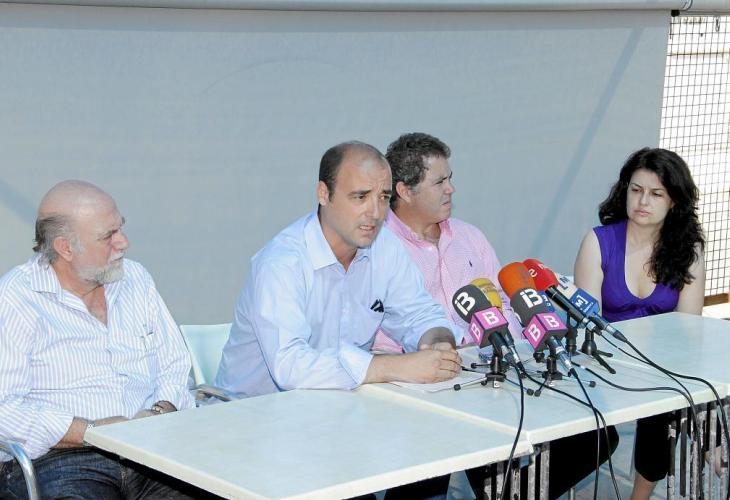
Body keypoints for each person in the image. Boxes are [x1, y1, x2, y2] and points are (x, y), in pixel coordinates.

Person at [380, 132, 618, 500]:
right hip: (417, 391)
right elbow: (380, 329)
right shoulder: (378, 248)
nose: (451, 189)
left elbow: (505, 303)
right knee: (426, 482)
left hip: (488, 378)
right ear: (405, 191)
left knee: (597, 434)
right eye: (440, 182)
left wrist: (515, 346)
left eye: (450, 178)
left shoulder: (469, 237)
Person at [215, 141, 462, 399]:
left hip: (341, 405)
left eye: (383, 197)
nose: (375, 213)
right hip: (253, 412)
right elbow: (290, 366)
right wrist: (392, 367)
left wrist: (437, 343)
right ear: (324, 194)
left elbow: (420, 314)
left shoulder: (385, 247)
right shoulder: (282, 263)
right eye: (360, 197)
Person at [0, 180, 200, 499]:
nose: (124, 243)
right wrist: (92, 432)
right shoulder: (17, 297)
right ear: (66, 248)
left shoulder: (135, 279)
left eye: (121, 228)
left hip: (150, 453)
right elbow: (5, 410)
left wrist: (160, 411)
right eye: (109, 236)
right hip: (62, 460)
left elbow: (175, 366)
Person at [574, 147, 706, 500]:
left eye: (656, 193)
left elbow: (689, 328)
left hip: (660, 363)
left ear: (674, 201)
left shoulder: (687, 250)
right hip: (606, 361)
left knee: (670, 399)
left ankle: (641, 495)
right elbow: (588, 323)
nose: (643, 201)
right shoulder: (598, 242)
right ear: (625, 191)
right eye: (636, 190)